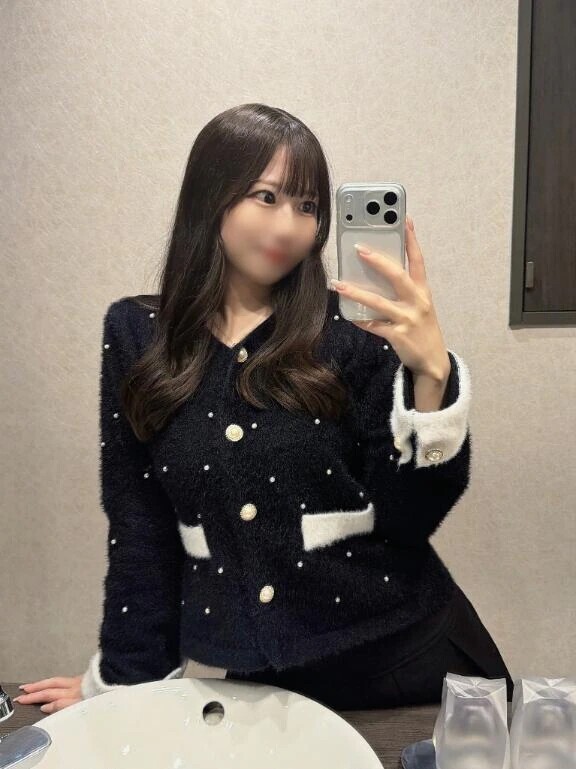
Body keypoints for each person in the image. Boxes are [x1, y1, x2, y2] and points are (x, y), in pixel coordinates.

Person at [15, 103, 513, 715]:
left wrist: (431, 378)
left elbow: (408, 521)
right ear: (211, 196)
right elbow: (140, 525)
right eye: (266, 196)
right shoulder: (139, 334)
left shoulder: (356, 332)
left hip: (408, 666)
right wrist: (122, 683)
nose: (289, 227)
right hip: (264, 688)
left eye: (307, 206)